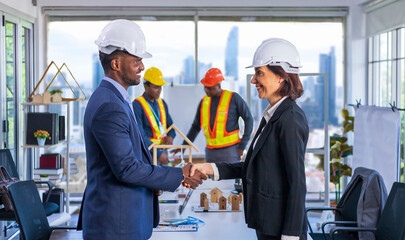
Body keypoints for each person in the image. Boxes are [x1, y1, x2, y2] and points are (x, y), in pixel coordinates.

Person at [77, 19, 206, 240]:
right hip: (116, 226)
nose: (142, 67)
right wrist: (179, 175)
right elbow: (126, 168)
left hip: (123, 219)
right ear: (116, 64)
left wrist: (154, 182)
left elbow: (129, 157)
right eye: (136, 60)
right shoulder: (110, 105)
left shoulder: (115, 98)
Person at [190, 38, 309, 240]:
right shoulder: (272, 115)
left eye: (259, 73)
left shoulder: (290, 119)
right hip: (268, 224)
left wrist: (290, 236)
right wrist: (211, 168)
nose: (253, 80)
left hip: (281, 230)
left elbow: (297, 184)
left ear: (281, 77)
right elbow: (255, 167)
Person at [172, 67, 253, 164]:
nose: (206, 90)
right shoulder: (203, 102)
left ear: (218, 86)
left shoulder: (233, 98)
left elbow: (249, 119)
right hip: (210, 153)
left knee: (230, 179)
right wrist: (184, 146)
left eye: (210, 88)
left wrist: (242, 145)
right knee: (211, 179)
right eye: (205, 87)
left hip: (230, 151)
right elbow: (195, 127)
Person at [133, 67, 175, 165]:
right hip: (147, 154)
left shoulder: (162, 103)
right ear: (146, 86)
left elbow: (171, 127)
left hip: (162, 152)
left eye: (160, 87)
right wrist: (158, 153)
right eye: (156, 87)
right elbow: (140, 135)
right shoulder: (137, 105)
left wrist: (171, 136)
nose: (159, 91)